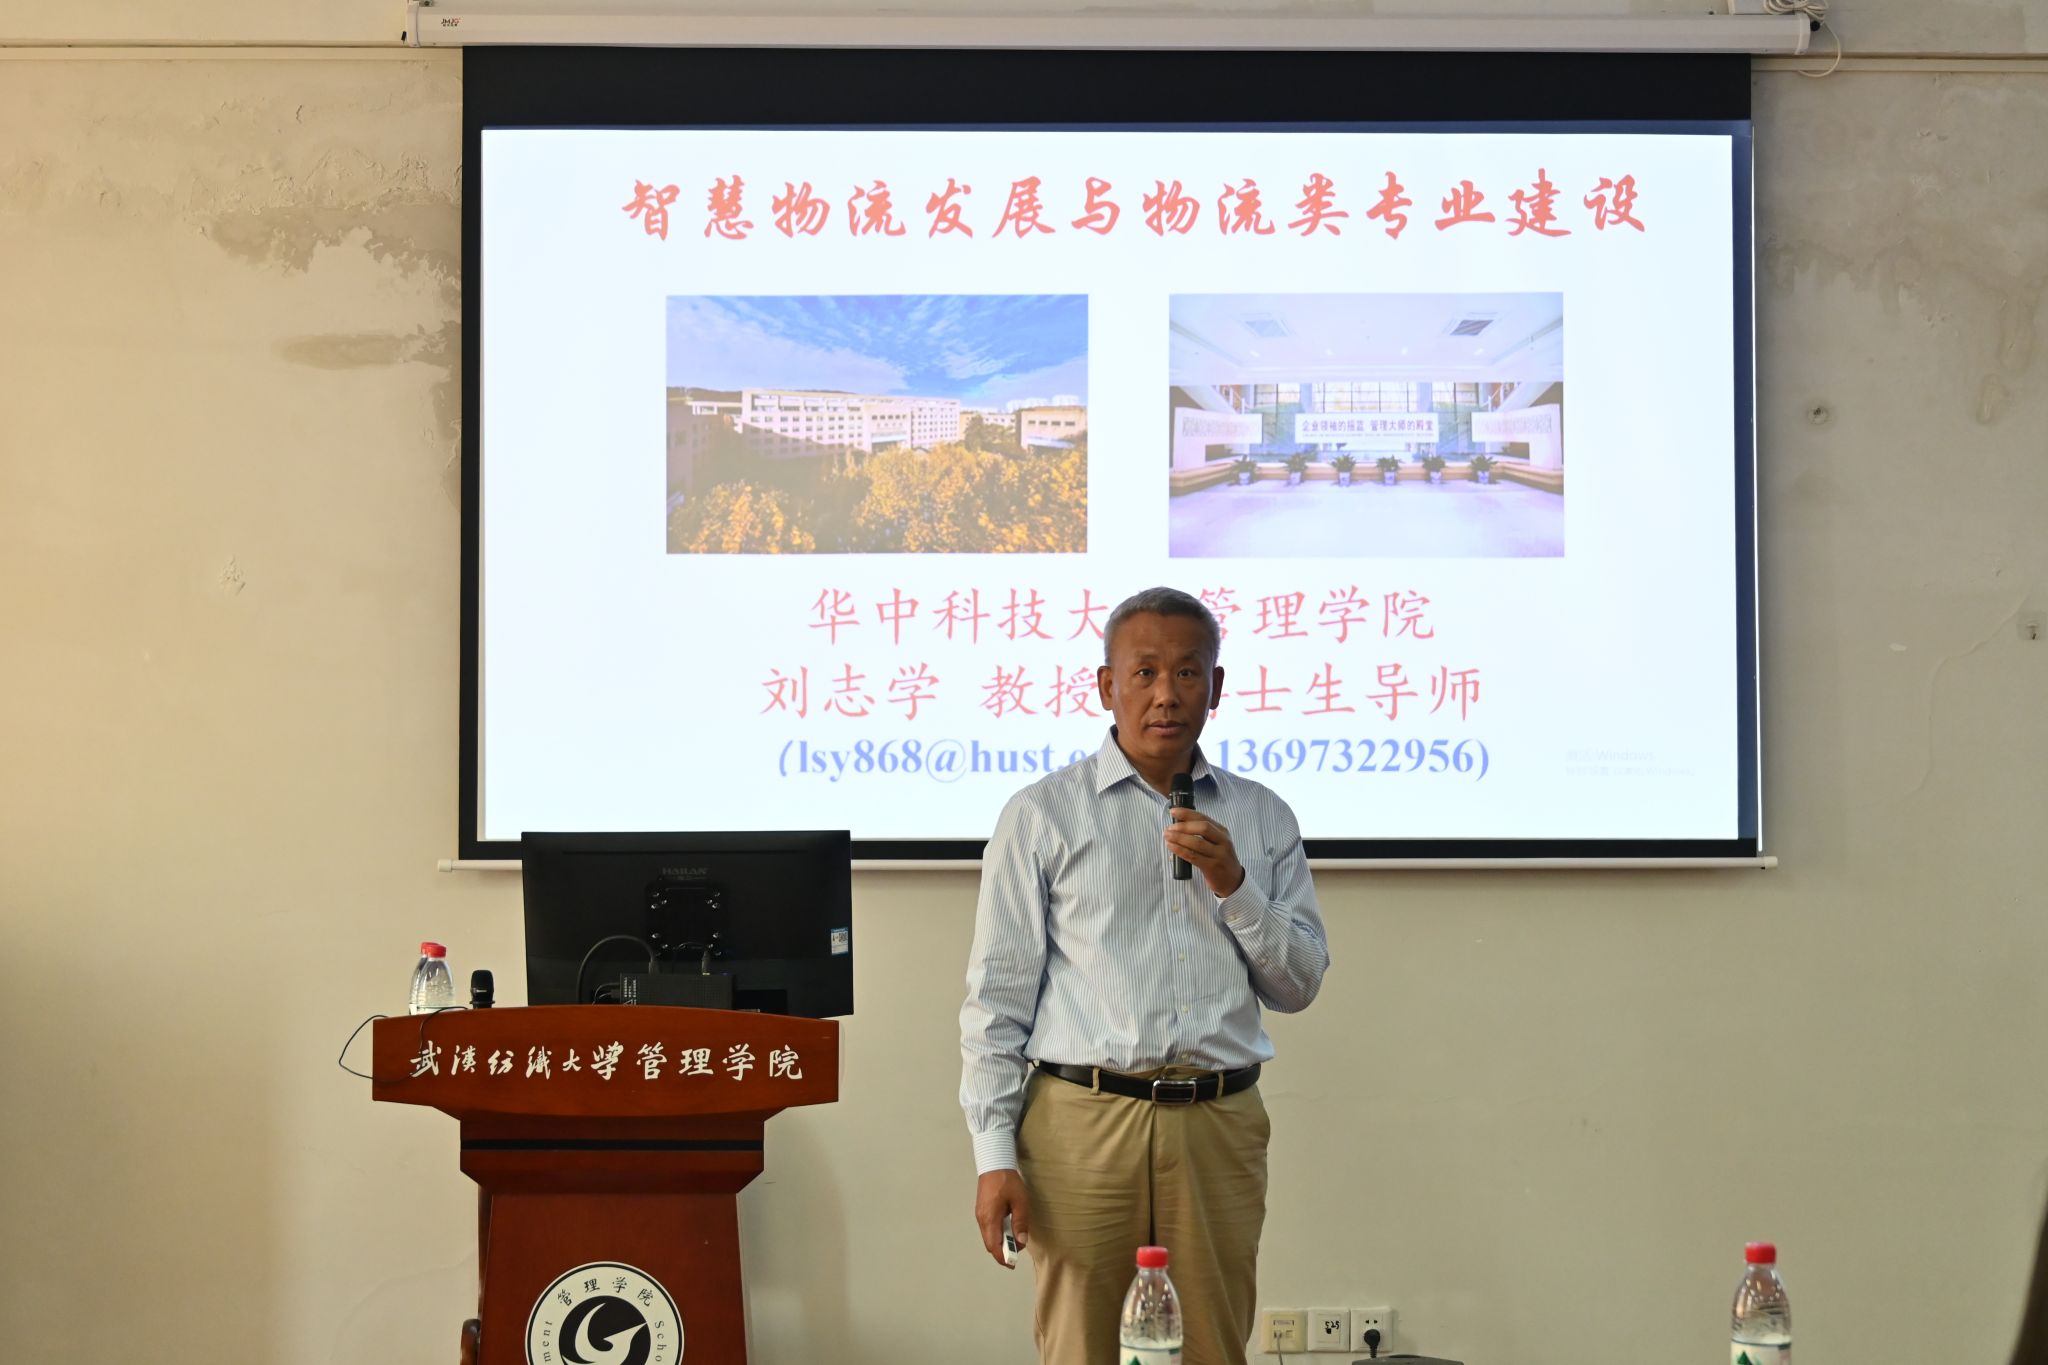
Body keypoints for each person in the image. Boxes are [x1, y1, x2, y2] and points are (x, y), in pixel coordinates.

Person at [959, 586, 1330, 1365]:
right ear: (1107, 686)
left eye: (1188, 673)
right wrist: (995, 1157)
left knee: (1213, 1346)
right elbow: (996, 1003)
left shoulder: (1263, 817)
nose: (1167, 693)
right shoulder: (1042, 814)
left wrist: (1235, 886)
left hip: (1217, 1123)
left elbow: (1299, 985)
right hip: (1082, 1122)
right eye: (1146, 672)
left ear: (1215, 688)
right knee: (1081, 1347)